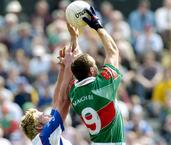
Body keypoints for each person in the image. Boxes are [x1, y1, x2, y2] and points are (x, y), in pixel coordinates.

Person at [65, 6, 125, 145]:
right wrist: (98, 26)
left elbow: (78, 63)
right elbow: (113, 51)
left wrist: (74, 39)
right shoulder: (103, 84)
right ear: (92, 71)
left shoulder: (74, 92)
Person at [20, 45, 73, 145]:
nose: (47, 114)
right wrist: (69, 65)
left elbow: (56, 100)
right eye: (43, 115)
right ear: (39, 126)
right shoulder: (47, 135)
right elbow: (63, 101)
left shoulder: (43, 135)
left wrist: (62, 69)